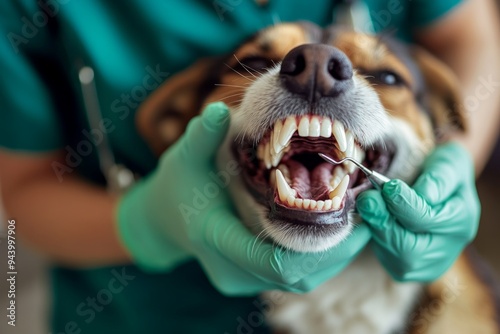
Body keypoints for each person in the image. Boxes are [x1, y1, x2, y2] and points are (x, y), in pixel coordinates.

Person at [0, 0, 498, 333]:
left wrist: (458, 158)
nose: (317, 68)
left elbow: (469, 30)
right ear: (178, 117)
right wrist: (148, 222)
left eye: (384, 75)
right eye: (260, 66)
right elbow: (23, 188)